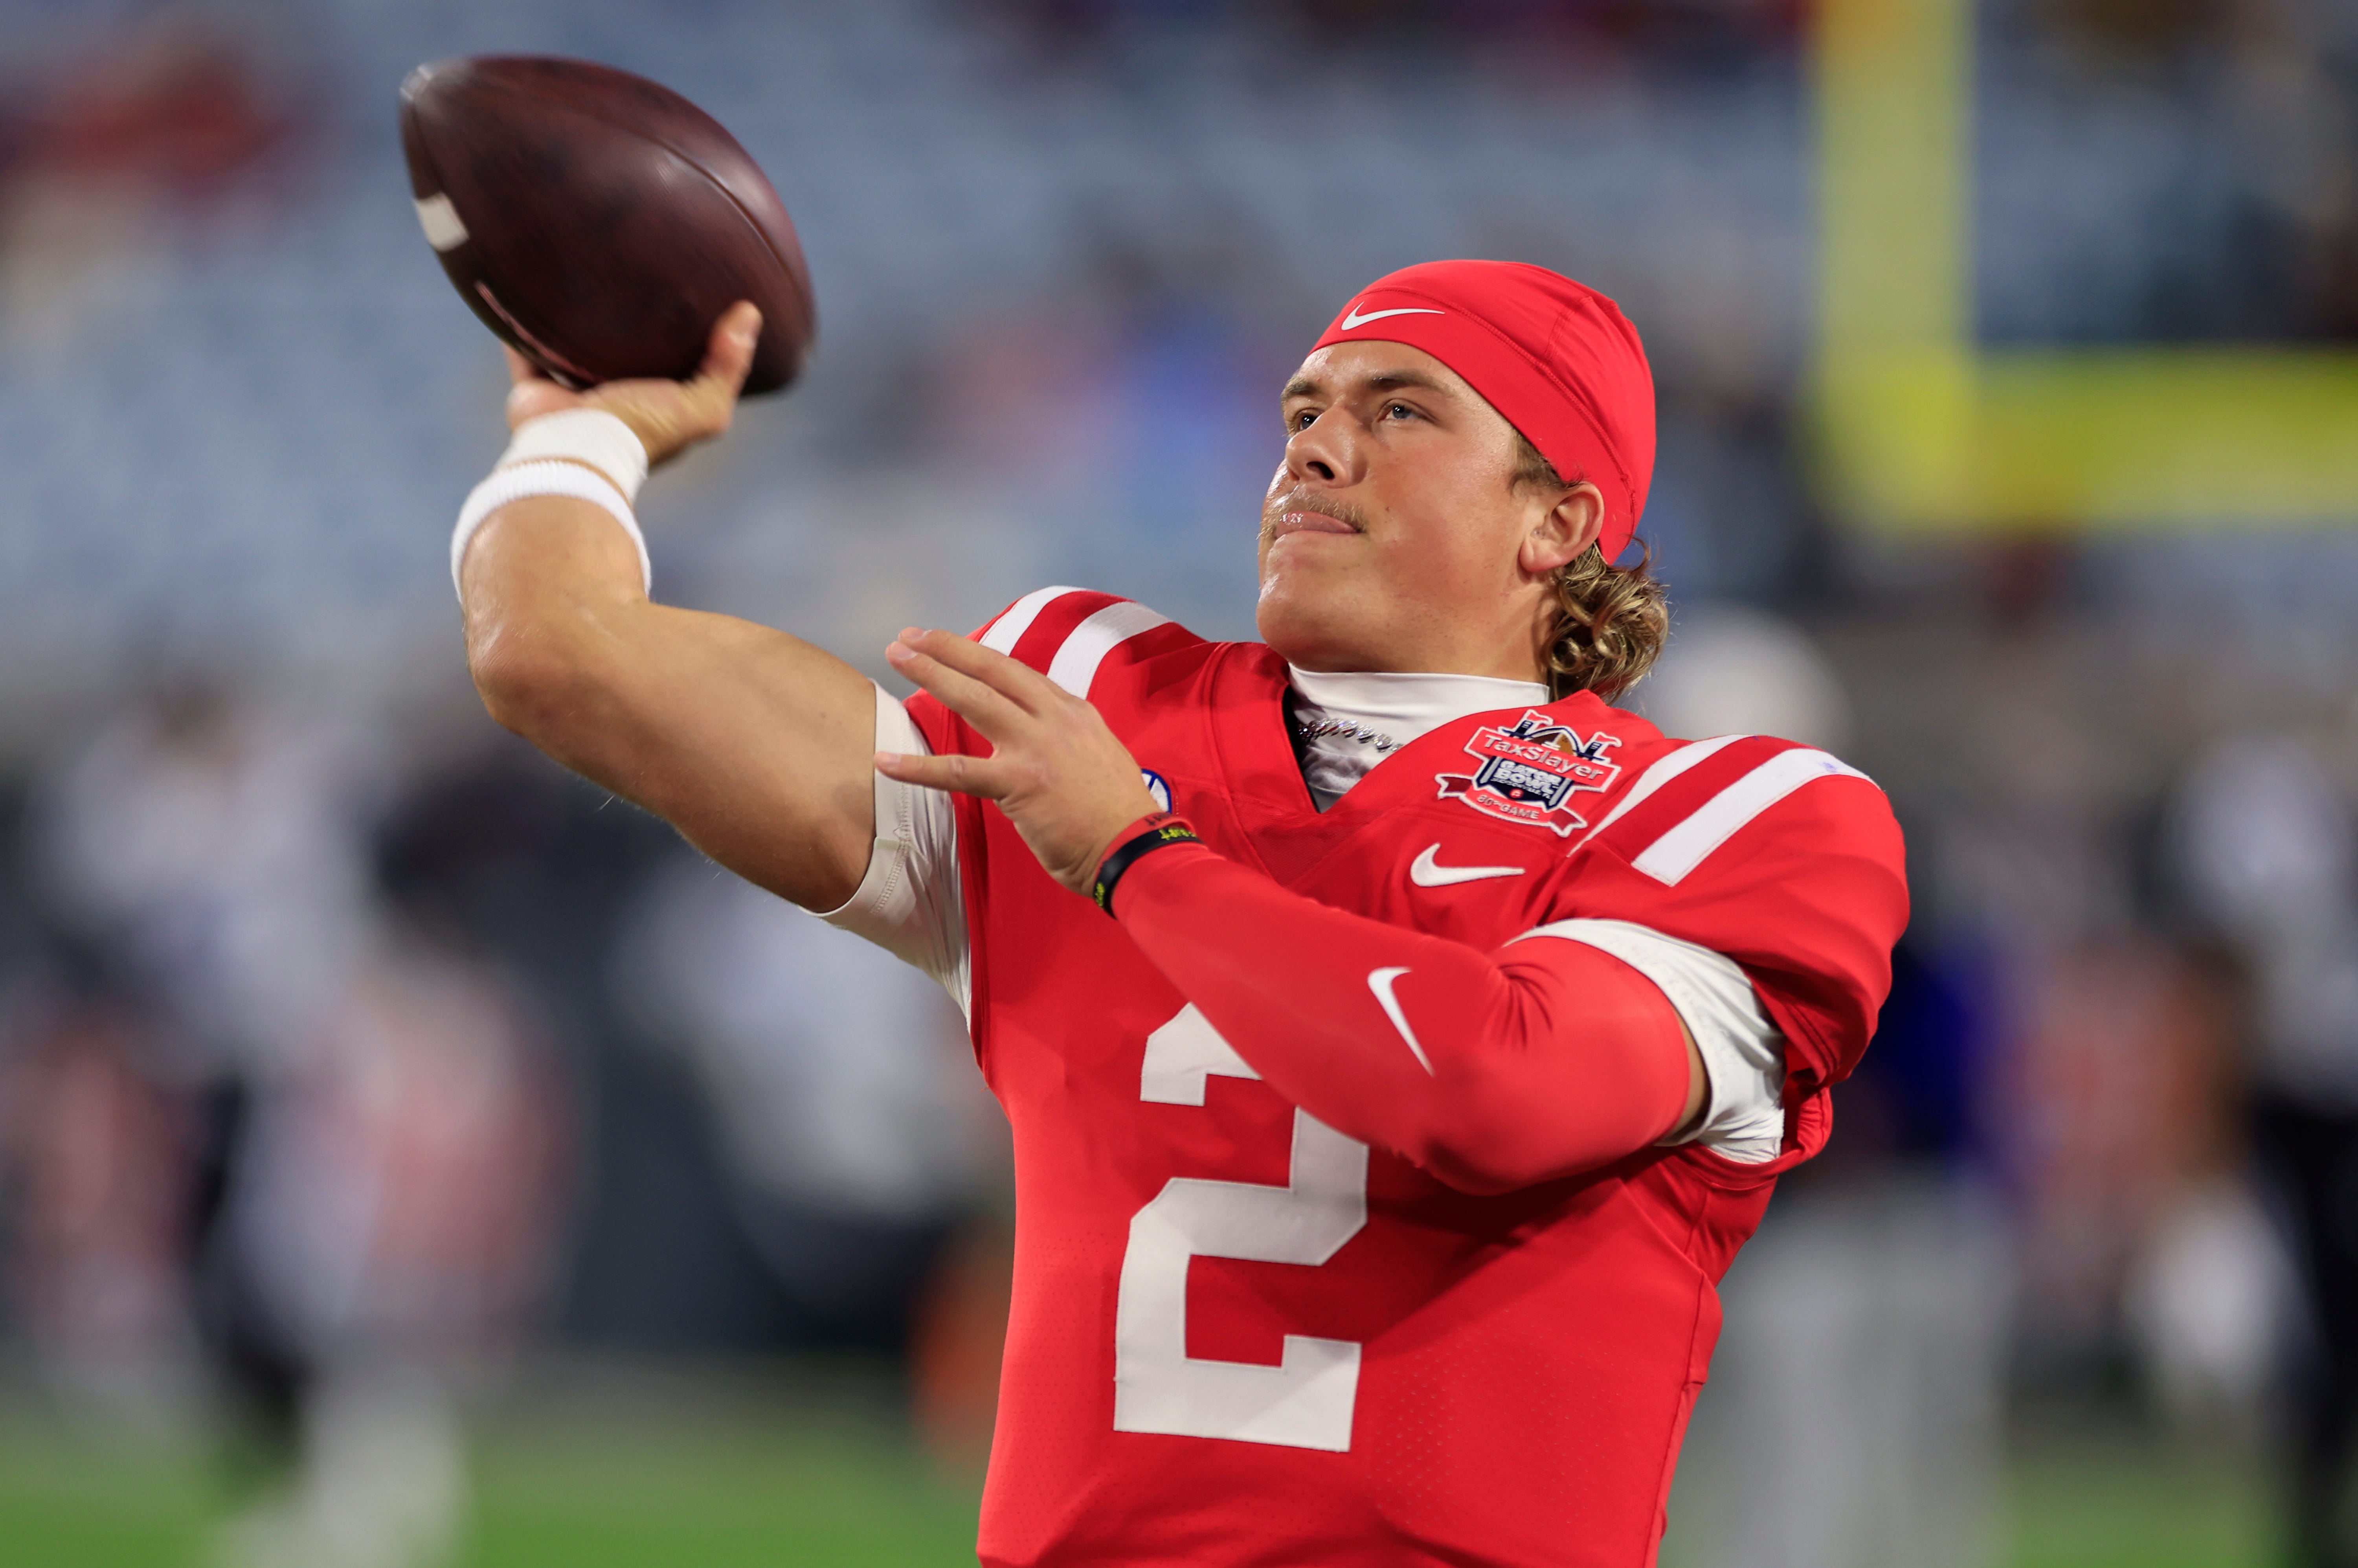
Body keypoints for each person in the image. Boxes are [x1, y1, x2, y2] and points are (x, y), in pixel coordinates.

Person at [450, 260, 1908, 1566]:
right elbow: (556, 654)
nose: (1316, 447)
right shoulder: (1090, 713)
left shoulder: (1730, 815)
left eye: (1402, 412)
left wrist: (1137, 861)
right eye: (1303, 407)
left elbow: (1487, 1089)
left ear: (1557, 522)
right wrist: (580, 428)